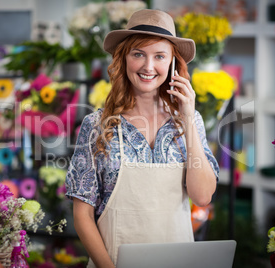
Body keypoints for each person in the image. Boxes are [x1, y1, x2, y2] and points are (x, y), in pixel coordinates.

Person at [65, 9, 219, 268]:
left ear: (173, 63)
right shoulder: (96, 125)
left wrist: (188, 118)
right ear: (123, 59)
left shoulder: (190, 122)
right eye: (138, 54)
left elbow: (202, 197)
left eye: (159, 56)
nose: (148, 67)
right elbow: (82, 216)